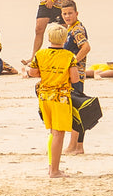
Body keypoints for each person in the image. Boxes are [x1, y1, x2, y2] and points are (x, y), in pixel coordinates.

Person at [28, 23, 80, 179]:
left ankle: (52, 166)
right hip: (60, 98)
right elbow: (75, 78)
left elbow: (32, 72)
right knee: (59, 134)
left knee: (53, 132)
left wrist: (46, 75)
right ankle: (54, 170)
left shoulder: (40, 54)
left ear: (49, 38)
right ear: (64, 39)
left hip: (44, 96)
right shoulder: (69, 56)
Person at [58, 0, 91, 154]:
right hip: (75, 75)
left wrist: (72, 61)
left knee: (74, 110)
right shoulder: (71, 28)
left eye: (70, 13)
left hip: (75, 75)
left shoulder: (77, 29)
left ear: (76, 13)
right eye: (64, 13)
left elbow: (86, 47)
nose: (67, 16)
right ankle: (78, 146)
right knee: (77, 108)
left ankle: (73, 146)